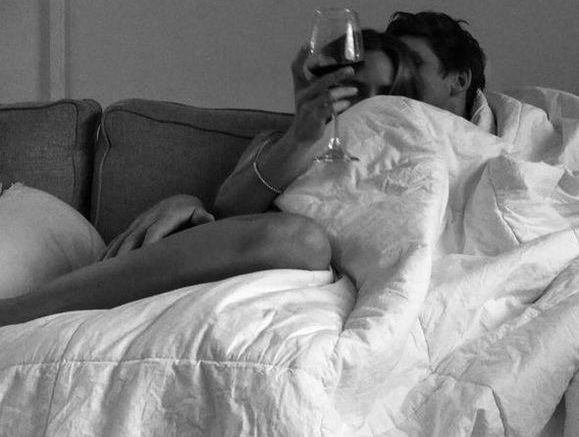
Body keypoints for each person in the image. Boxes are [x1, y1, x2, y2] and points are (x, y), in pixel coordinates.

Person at [0, 30, 421, 326]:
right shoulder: (278, 142)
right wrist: (302, 139)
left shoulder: (417, 149)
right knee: (300, 239)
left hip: (352, 286)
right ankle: (21, 312)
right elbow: (229, 213)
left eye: (379, 91)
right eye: (350, 86)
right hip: (272, 269)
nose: (362, 101)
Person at [386, 10, 486, 121]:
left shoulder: (503, 137)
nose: (396, 76)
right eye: (394, 66)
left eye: (413, 63)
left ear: (460, 80)